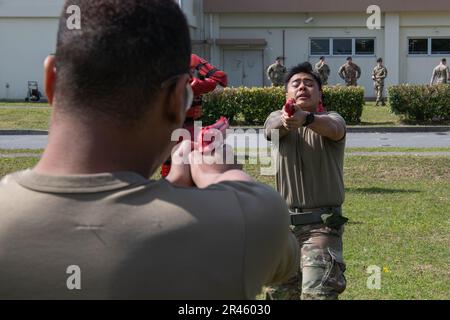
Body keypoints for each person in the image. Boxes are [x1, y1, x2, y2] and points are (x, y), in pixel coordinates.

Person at [0, 0, 298, 299]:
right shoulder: (248, 217)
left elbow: (219, 79)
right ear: (178, 98)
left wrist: (171, 187)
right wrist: (223, 174)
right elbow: (284, 257)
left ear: (50, 79)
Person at [264, 62, 348, 300]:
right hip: (283, 228)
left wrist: (307, 119)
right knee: (278, 295)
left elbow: (335, 129)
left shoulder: (331, 119)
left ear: (320, 93)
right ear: (286, 93)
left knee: (317, 293)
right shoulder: (276, 119)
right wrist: (290, 119)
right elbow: (271, 129)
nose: (303, 87)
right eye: (296, 83)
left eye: (310, 83)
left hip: (321, 227)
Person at [161, 54, 228, 177]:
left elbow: (221, 78)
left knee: (190, 162)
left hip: (188, 125)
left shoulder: (194, 82)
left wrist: (196, 65)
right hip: (172, 125)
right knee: (173, 162)